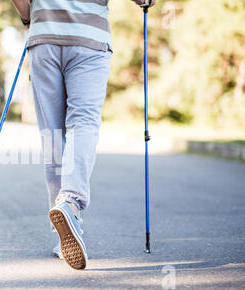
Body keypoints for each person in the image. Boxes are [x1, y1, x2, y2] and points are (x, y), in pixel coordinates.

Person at [11, 0, 156, 270]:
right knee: (84, 124)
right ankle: (70, 203)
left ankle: (63, 230)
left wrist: (28, 17)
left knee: (53, 135)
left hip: (45, 37)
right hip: (89, 38)